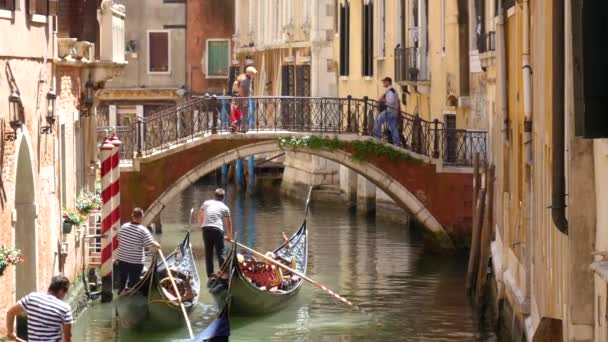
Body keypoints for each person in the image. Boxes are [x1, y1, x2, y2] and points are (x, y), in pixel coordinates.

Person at [5, 275, 73, 342]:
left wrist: (10, 332)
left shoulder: (32, 297)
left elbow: (10, 313)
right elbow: (68, 337)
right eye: (65, 292)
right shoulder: (65, 308)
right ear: (61, 291)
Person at [116, 207, 161, 293]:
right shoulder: (143, 230)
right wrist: (158, 245)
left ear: (132, 216)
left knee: (122, 280)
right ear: (142, 217)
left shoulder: (124, 227)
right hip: (135, 262)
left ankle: (121, 291)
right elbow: (150, 244)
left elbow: (119, 238)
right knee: (134, 283)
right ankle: (132, 290)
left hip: (122, 259)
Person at [198, 188, 233, 278]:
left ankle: (210, 276)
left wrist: (202, 225)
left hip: (206, 229)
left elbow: (200, 214)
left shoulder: (206, 203)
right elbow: (228, 223)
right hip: (217, 229)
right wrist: (229, 236)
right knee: (220, 253)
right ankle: (225, 274)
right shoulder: (225, 207)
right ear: (223, 198)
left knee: (208, 253)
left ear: (214, 196)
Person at [374, 77, 402, 147]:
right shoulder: (391, 90)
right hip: (394, 111)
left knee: (378, 120)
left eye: (384, 82)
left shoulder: (391, 91)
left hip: (390, 110)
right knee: (393, 127)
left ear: (388, 82)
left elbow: (391, 102)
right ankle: (397, 143)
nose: (383, 83)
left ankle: (377, 138)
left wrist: (383, 101)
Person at [233, 66, 257, 133]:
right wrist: (244, 100)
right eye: (254, 74)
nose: (254, 75)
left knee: (245, 114)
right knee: (245, 114)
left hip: (242, 98)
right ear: (250, 73)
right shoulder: (246, 80)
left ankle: (235, 125)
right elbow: (241, 89)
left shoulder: (246, 79)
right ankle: (242, 128)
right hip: (243, 99)